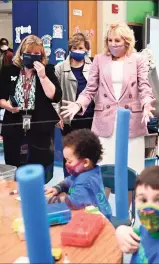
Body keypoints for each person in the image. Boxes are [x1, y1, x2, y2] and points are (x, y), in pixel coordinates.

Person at [60, 22, 155, 198]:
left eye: (117, 40)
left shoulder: (137, 60)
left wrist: (147, 103)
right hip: (105, 123)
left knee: (130, 173)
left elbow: (144, 87)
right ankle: (103, 213)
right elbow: (90, 89)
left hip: (132, 123)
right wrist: (79, 104)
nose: (113, 44)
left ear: (126, 41)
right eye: (110, 40)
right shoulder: (99, 59)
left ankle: (127, 216)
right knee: (104, 172)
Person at [0, 35, 62, 183]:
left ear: (42, 55)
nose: (33, 57)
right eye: (29, 53)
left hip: (40, 128)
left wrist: (43, 76)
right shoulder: (9, 70)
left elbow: (55, 96)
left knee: (40, 170)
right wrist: (8, 107)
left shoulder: (48, 70)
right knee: (15, 169)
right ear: (22, 53)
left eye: (37, 54)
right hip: (14, 126)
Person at [45, 129, 112, 220]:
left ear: (85, 162)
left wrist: (46, 201)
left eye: (70, 161)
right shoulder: (86, 172)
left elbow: (72, 202)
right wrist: (57, 188)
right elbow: (68, 181)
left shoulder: (86, 181)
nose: (66, 164)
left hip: (99, 220)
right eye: (66, 160)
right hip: (88, 215)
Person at [54, 33, 94, 177]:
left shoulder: (94, 66)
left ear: (86, 49)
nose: (78, 50)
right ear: (70, 49)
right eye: (75, 47)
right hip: (68, 119)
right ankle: (69, 185)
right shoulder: (60, 68)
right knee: (70, 155)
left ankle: (86, 186)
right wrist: (56, 115)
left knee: (87, 155)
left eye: (81, 48)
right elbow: (54, 95)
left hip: (89, 117)